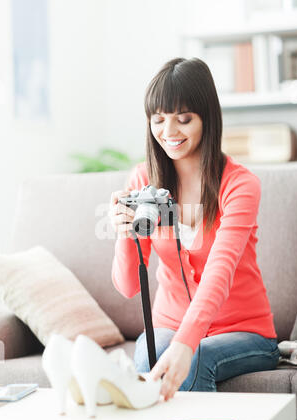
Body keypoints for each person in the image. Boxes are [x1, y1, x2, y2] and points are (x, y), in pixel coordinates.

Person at [109, 57, 280, 402]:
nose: (169, 133)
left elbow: (221, 271)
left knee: (193, 358)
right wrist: (124, 233)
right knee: (149, 356)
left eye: (183, 119)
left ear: (207, 117)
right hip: (167, 325)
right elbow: (128, 286)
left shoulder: (239, 184)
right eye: (158, 120)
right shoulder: (143, 180)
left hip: (243, 330)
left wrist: (187, 344)